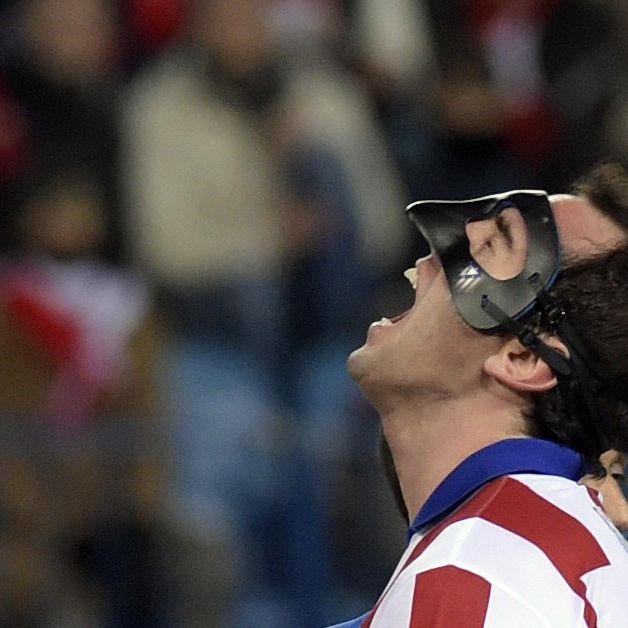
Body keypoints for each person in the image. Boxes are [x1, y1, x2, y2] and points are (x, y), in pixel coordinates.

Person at [329, 162, 628, 627]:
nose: (435, 251)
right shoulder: (522, 558)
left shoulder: (475, 575)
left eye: (493, 246)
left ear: (522, 359)